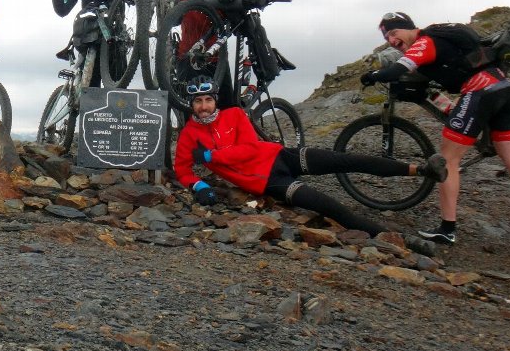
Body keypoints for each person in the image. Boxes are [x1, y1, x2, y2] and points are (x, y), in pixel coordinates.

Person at [173, 76, 446, 254]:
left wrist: (211, 158)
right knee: (329, 206)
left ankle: (421, 169)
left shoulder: (233, 114)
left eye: (208, 99)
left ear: (215, 100)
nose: (204, 106)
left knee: (345, 160)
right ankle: (404, 240)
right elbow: (182, 169)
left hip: (279, 156)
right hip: (268, 182)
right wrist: (198, 184)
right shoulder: (188, 135)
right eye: (198, 101)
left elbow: (250, 148)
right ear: (192, 104)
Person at [362, 12, 510, 255]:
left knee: (448, 161)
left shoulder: (424, 42)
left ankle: (447, 230)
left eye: (394, 33)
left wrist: (372, 76)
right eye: (387, 37)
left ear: (408, 28)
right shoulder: (439, 40)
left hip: (481, 91)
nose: (391, 40)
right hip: (504, 88)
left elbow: (397, 70)